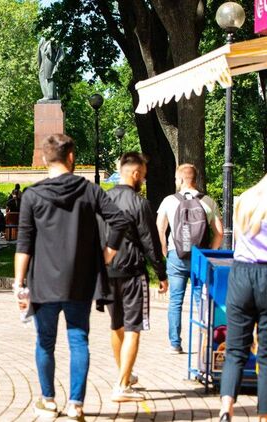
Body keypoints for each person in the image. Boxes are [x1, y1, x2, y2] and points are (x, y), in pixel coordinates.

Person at [15, 134, 128, 420]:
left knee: (45, 342)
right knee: (79, 341)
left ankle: (48, 401)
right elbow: (119, 220)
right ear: (71, 157)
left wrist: (19, 283)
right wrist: (107, 254)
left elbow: (24, 243)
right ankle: (76, 404)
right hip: (80, 279)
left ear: (44, 159)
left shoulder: (32, 195)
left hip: (43, 281)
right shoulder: (90, 190)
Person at [102, 152, 169, 402]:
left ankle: (125, 374)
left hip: (107, 271)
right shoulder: (139, 204)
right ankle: (122, 386)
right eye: (144, 176)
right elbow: (150, 242)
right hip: (132, 271)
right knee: (133, 327)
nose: (144, 180)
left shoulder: (104, 200)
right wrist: (161, 273)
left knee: (116, 324)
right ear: (136, 173)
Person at [156, 163, 224, 354]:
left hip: (176, 255)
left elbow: (160, 228)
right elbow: (219, 233)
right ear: (195, 179)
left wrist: (165, 250)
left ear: (180, 179)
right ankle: (205, 344)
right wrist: (210, 252)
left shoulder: (169, 201)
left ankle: (175, 344)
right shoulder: (208, 201)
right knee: (201, 301)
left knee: (175, 301)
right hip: (200, 257)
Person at [218, 174, 267, 422]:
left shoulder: (246, 199)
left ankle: (226, 407)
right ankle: (264, 414)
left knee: (235, 350)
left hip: (241, 273)